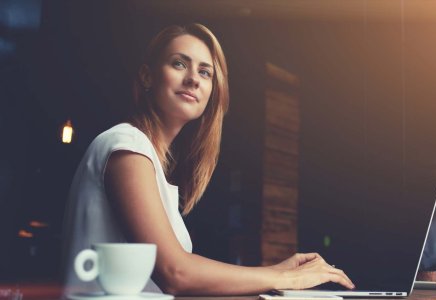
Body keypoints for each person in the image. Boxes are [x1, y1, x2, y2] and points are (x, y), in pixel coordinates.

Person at [61, 24, 355, 296]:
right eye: (179, 63)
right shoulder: (125, 145)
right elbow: (174, 272)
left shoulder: (146, 158)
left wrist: (278, 270)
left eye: (205, 72)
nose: (193, 79)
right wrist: (282, 279)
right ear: (147, 76)